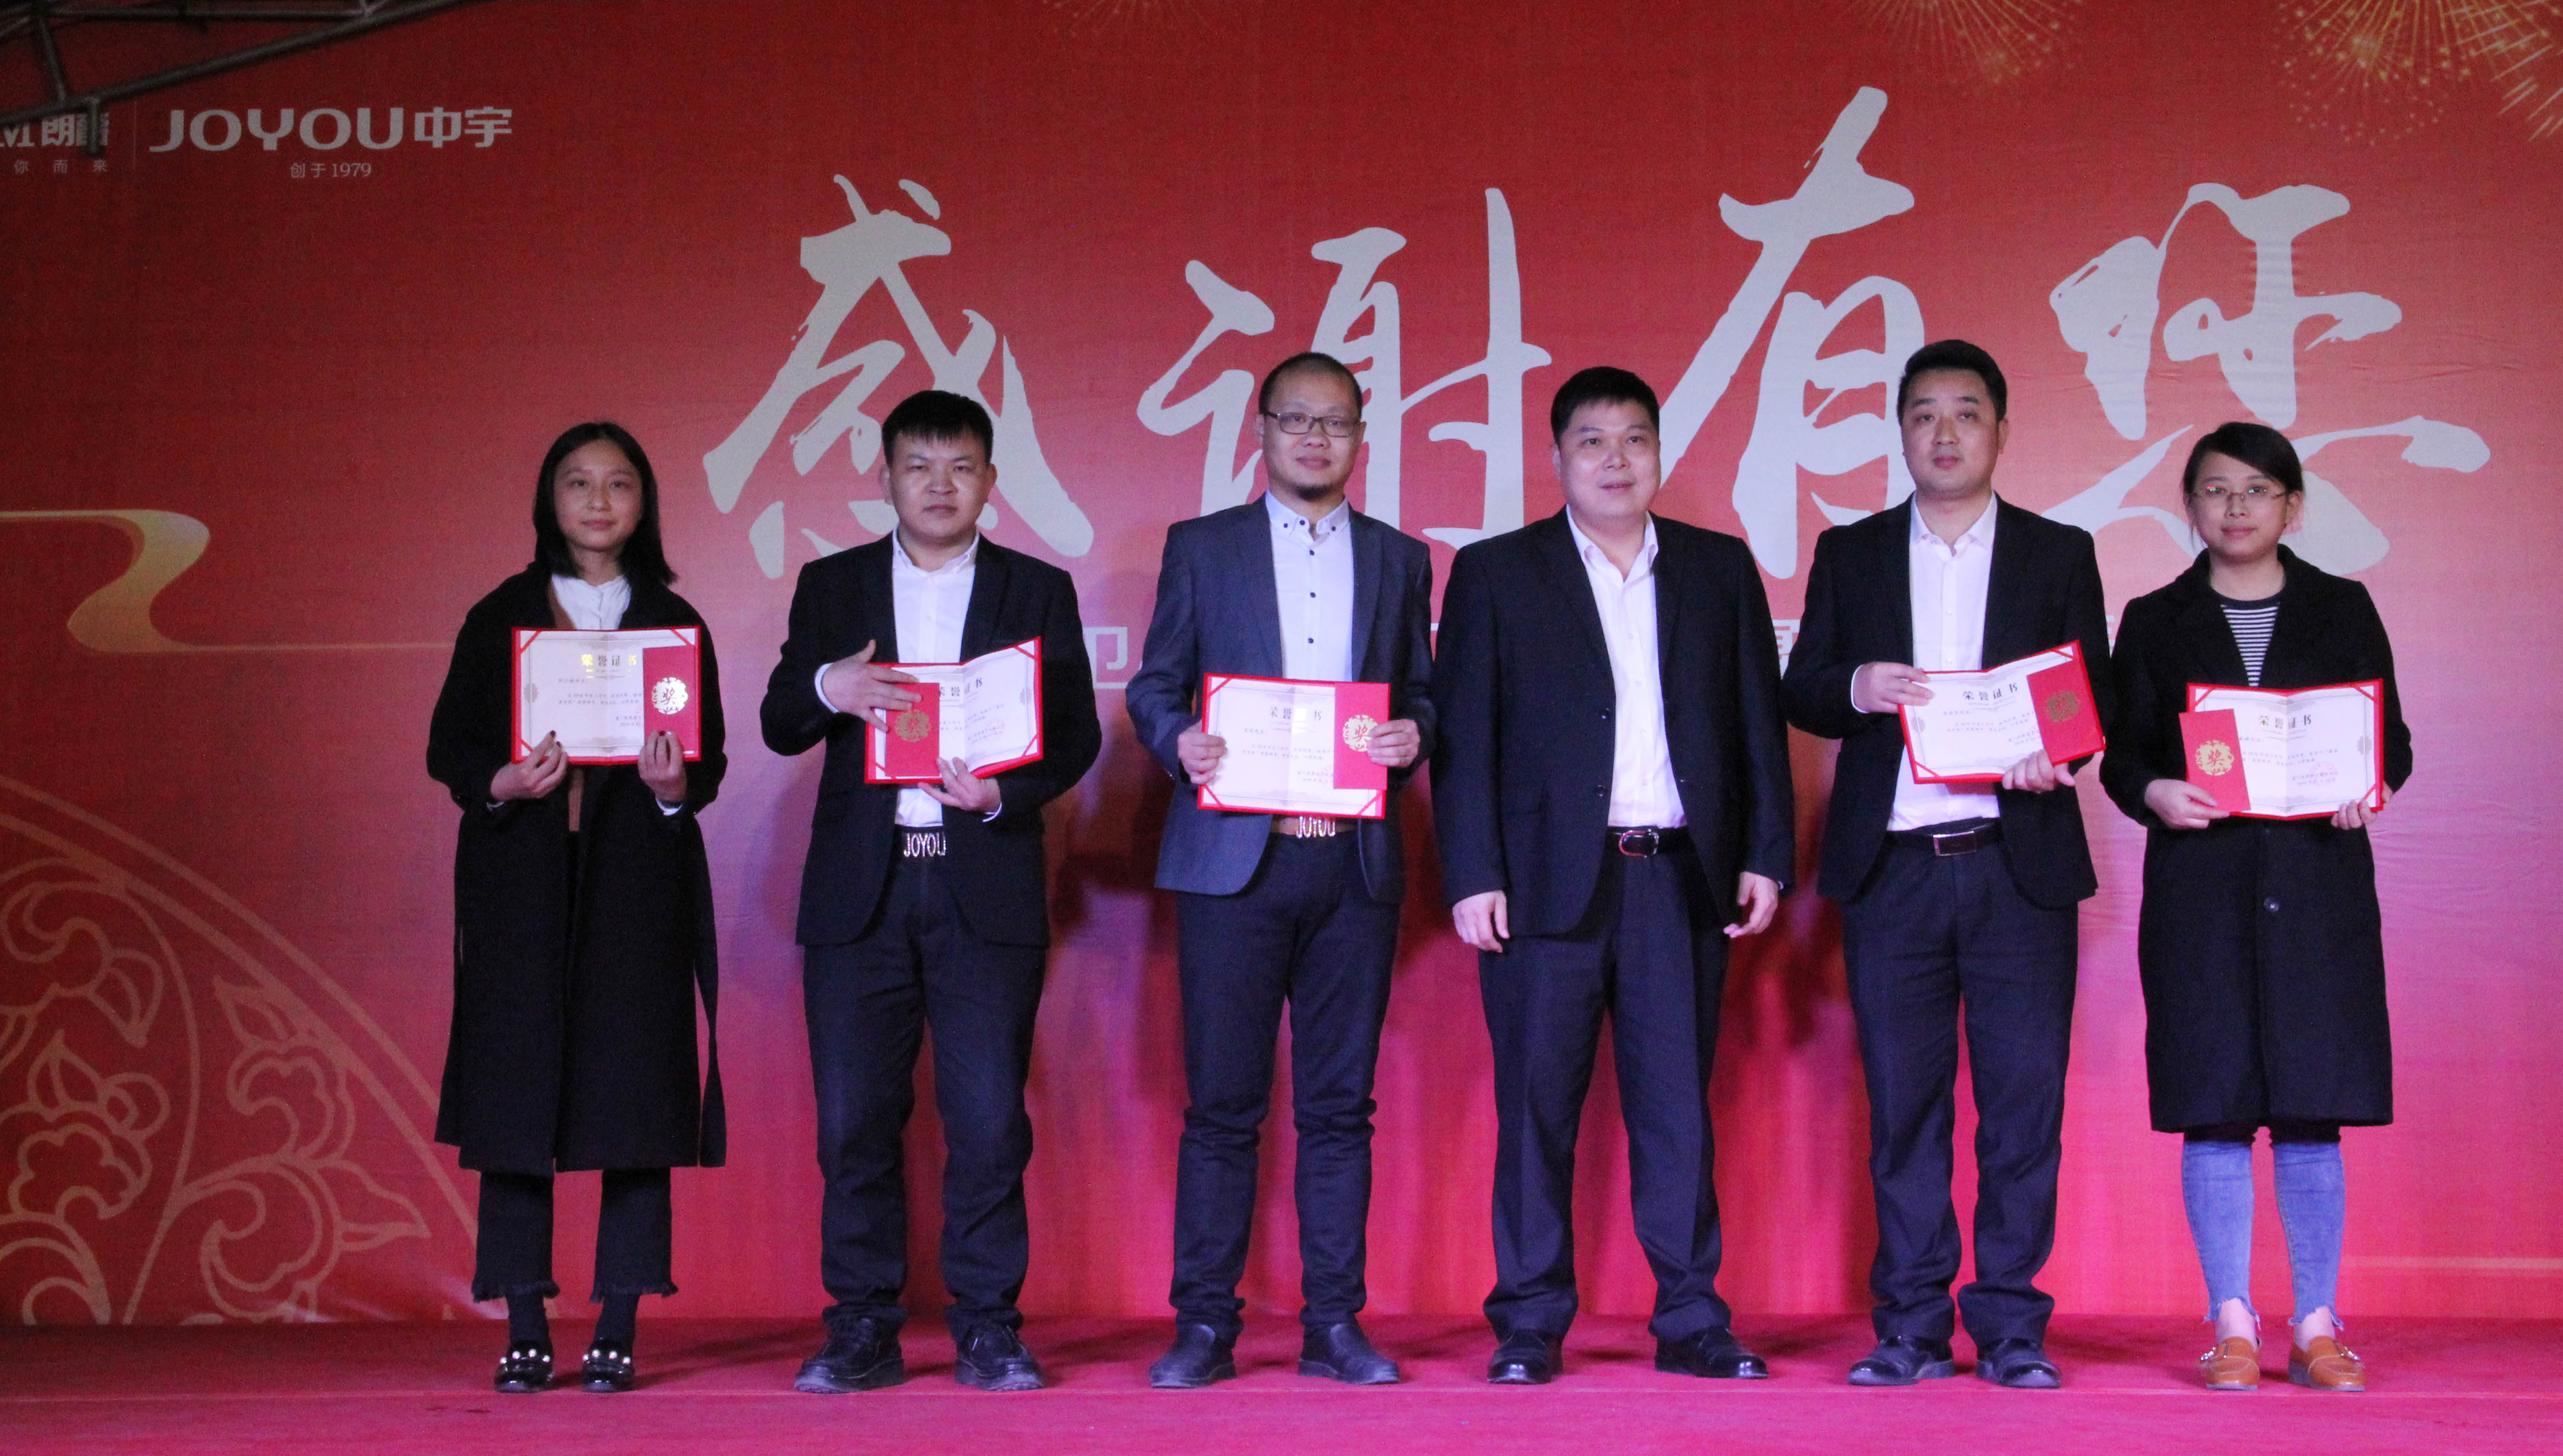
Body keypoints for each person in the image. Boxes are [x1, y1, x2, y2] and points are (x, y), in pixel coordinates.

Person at [1431, 365, 1793, 1386]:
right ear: (1557, 458)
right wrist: (1473, 872)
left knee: (1677, 1109)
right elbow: (1464, 737)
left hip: (1677, 879)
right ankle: (1529, 1322)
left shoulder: (1718, 569)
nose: (1616, 459)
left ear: (1659, 453)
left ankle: (1691, 1318)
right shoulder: (1497, 573)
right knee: (1535, 1113)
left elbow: (1756, 724)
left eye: (1635, 438)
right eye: (1592, 440)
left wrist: (1765, 852)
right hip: (1544, 885)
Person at [1781, 340, 2110, 1389]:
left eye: (1966, 412)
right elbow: (1803, 686)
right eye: (1923, 414)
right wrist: (1859, 685)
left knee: (2022, 1108)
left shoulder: (2058, 552)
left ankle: (2011, 1326)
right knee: (1905, 1106)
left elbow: (2088, 696)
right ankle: (1912, 1325)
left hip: (2018, 865)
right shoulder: (1854, 552)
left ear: (2000, 430)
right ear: (1900, 433)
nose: (1945, 433)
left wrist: (2057, 753)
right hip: (1896, 868)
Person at [764, 389, 1100, 1395]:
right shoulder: (834, 585)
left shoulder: (1037, 588)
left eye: (960, 466)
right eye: (919, 465)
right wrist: (831, 688)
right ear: (886, 478)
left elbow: (1077, 735)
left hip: (981, 881)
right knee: (851, 1121)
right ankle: (861, 1326)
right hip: (860, 890)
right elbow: (780, 719)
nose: (940, 485)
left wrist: (1006, 794)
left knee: (989, 1120)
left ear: (990, 481)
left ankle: (989, 1325)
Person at [1126, 351, 1436, 1388]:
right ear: (1260, 431)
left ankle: (1334, 1325)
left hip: (1352, 862)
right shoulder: (1202, 547)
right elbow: (1155, 685)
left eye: (1335, 422)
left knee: (1340, 1110)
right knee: (1222, 1106)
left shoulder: (1399, 559)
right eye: (1296, 419)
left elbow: (1422, 695)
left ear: (1360, 438)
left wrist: (1412, 737)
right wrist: (1177, 739)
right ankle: (1204, 1325)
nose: (1315, 437)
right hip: (1233, 861)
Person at [2100, 422, 2410, 1394]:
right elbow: (2122, 754)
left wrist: (2368, 785)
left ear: (2293, 507)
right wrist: (2154, 791)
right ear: (2190, 506)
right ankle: (2231, 1320)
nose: (2236, 507)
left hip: (2316, 890)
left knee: (2313, 1110)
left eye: (2258, 489)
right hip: (2203, 892)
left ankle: (2317, 1322)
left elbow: (2390, 741)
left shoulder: (2343, 607)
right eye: (2216, 489)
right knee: (2216, 1106)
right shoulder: (2155, 618)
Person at [427, 421, 728, 1395]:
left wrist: (675, 787)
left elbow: (710, 760)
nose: (599, 502)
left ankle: (620, 1318)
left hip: (635, 883)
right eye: (578, 482)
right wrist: (504, 780)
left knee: (635, 1093)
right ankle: (522, 1318)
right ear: (549, 500)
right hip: (520, 881)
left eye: (619, 484)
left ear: (645, 503)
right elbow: (449, 746)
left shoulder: (675, 624)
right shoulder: (500, 616)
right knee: (516, 1095)